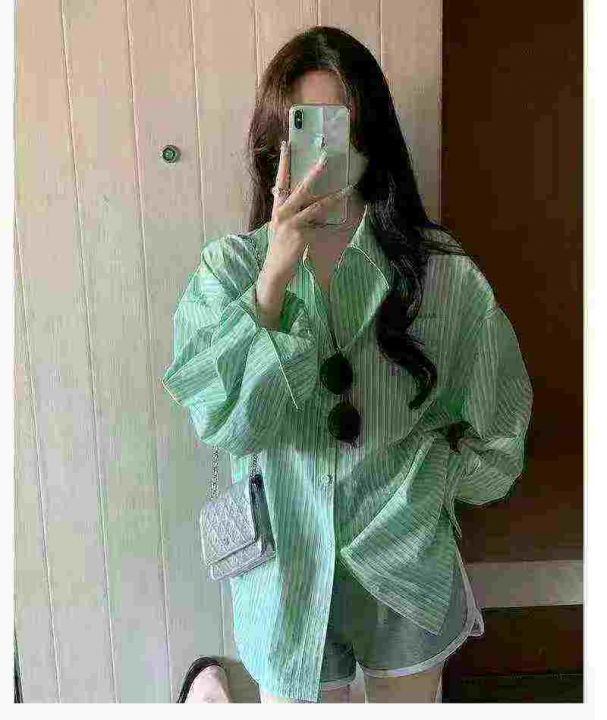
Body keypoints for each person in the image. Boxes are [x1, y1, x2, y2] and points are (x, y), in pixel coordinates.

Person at [162, 25, 533, 703]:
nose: (322, 152)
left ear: (371, 136)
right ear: (275, 141)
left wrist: (432, 478)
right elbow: (221, 422)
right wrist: (273, 281)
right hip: (284, 573)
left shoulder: (440, 275)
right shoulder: (229, 272)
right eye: (304, 127)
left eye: (340, 127)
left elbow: (501, 430)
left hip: (403, 561)